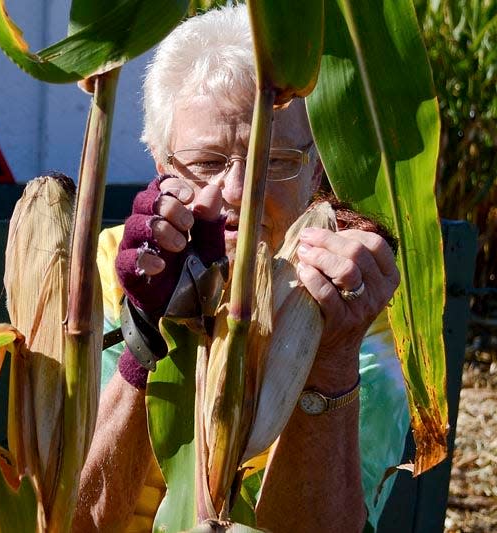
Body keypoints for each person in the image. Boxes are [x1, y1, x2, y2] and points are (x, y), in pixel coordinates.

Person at [74, 5, 410, 532]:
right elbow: (75, 520)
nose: (236, 192)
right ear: (161, 166)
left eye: (273, 162)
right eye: (206, 163)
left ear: (316, 168)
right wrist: (144, 332)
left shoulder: (357, 299)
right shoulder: (103, 267)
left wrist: (333, 359)